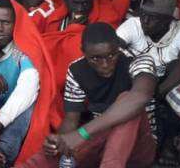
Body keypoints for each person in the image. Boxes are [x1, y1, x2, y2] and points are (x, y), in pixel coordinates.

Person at [21, 22, 157, 167]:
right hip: (99, 142)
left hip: (139, 147)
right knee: (49, 154)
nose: (105, 64)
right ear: (83, 52)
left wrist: (81, 134)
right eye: (95, 58)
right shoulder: (77, 70)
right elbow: (71, 120)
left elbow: (139, 96)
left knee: (127, 103)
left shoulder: (139, 61)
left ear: (118, 47)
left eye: (111, 55)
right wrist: (59, 141)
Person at [116, 0, 180, 164]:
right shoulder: (133, 25)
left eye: (153, 17)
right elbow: (113, 49)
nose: (145, 21)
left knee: (178, 72)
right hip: (136, 83)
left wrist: (157, 94)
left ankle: (169, 142)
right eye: (143, 14)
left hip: (165, 88)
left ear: (169, 19)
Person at [0, 0, 55, 166]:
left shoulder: (26, 51)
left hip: (14, 112)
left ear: (16, 23)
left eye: (6, 22)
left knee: (27, 110)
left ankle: (0, 159)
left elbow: (27, 89)